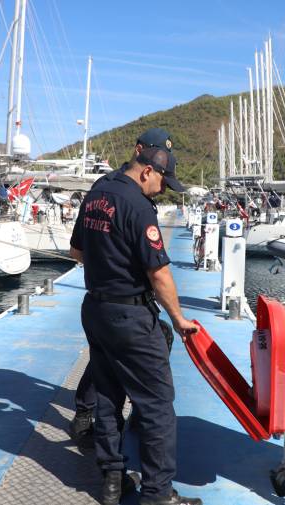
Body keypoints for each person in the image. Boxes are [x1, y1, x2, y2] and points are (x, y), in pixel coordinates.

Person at [69, 146, 202, 505]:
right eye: (162, 182)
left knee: (108, 396)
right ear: (146, 171)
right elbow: (158, 274)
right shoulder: (139, 206)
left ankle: (113, 481)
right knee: (157, 407)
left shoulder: (98, 192)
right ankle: (158, 494)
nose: (162, 190)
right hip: (131, 318)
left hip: (95, 310)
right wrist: (178, 319)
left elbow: (77, 252)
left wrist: (108, 270)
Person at [70, 128, 175, 440]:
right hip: (125, 302)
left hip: (100, 301)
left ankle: (95, 417)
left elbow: (78, 250)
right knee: (131, 349)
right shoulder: (126, 195)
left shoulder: (105, 187)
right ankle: (116, 415)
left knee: (107, 353)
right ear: (140, 153)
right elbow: (156, 271)